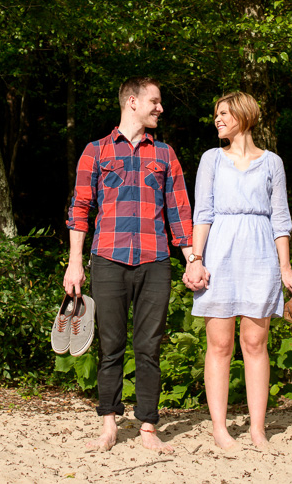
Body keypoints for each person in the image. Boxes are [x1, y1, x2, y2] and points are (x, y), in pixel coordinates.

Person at [64, 77, 194, 453]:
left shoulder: (165, 154)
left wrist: (192, 260)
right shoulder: (96, 151)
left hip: (155, 261)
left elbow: (179, 212)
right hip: (107, 259)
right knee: (110, 345)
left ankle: (148, 427)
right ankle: (109, 424)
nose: (160, 108)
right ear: (133, 102)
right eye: (155, 101)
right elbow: (80, 210)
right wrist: (75, 263)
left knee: (149, 346)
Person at [182, 91, 292, 451]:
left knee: (255, 343)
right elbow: (202, 213)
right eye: (216, 113)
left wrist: (285, 268)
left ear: (244, 116)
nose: (217, 119)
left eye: (224, 113)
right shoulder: (211, 159)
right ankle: (220, 428)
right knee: (219, 344)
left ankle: (257, 429)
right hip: (219, 252)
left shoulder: (272, 163)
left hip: (259, 255)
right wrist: (196, 259)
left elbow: (280, 219)